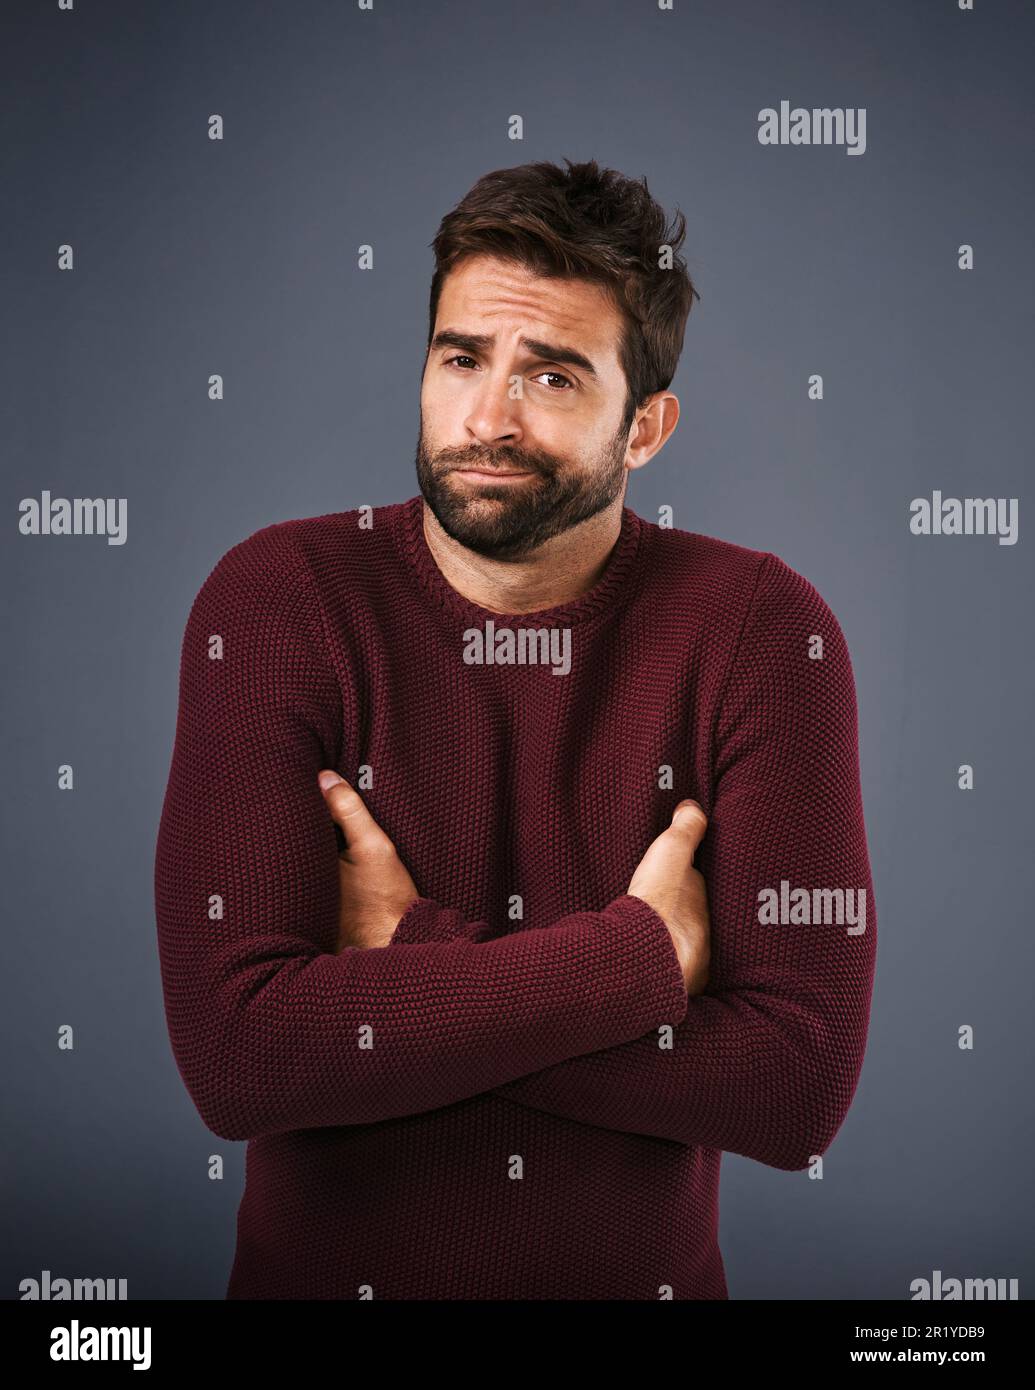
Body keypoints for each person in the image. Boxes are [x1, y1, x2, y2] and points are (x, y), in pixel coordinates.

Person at [154, 157, 876, 1300]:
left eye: (551, 376)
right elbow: (241, 1059)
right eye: (461, 360)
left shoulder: (759, 629)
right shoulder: (280, 599)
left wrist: (414, 964)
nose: (487, 417)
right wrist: (634, 963)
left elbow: (794, 1087)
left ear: (645, 427)